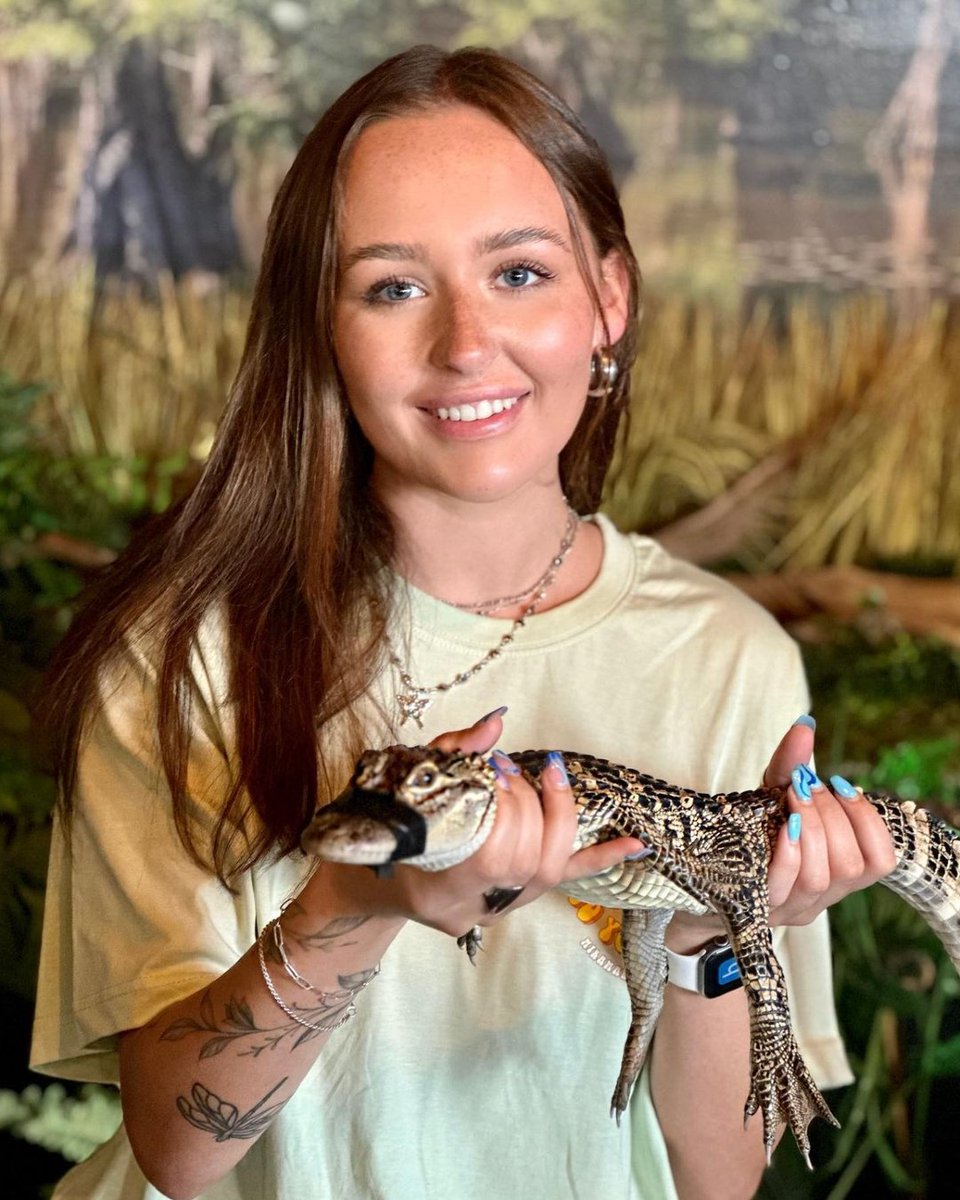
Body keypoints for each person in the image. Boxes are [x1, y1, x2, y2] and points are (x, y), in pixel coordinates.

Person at [30, 44, 896, 1200]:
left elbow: (715, 1177)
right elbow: (179, 1153)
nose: (464, 344)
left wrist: (710, 935)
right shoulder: (184, 657)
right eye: (393, 286)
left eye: (520, 273)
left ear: (610, 298)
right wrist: (355, 907)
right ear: (323, 331)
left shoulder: (730, 660)